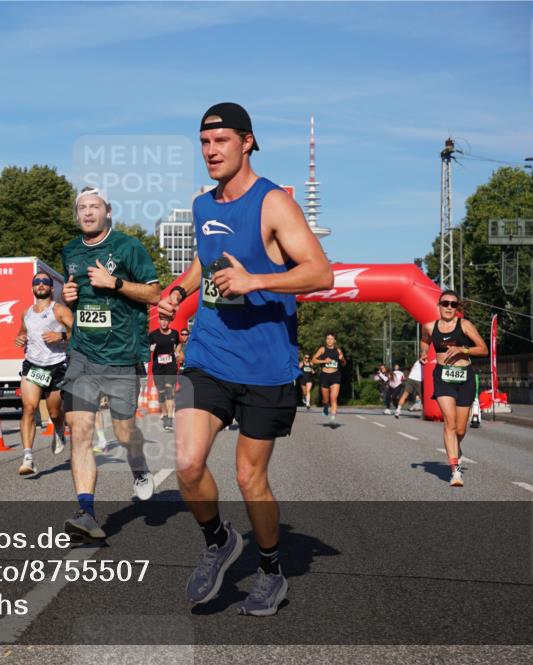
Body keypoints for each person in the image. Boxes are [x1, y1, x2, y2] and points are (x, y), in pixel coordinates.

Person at [158, 102, 332, 616]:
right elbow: (204, 261)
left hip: (267, 366)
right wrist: (178, 289)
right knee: (188, 464)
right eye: (204, 143)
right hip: (209, 354)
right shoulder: (203, 204)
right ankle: (218, 541)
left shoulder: (273, 203)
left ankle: (272, 570)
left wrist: (257, 279)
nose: (211, 152)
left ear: (247, 142)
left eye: (221, 142)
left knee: (248, 479)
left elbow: (319, 273)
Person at [60, 186, 162, 542]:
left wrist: (114, 282)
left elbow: (155, 294)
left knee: (123, 433)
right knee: (81, 432)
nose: (88, 212)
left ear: (108, 212)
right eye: (82, 207)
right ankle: (86, 512)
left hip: (123, 355)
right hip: (83, 354)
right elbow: (75, 297)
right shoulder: (70, 251)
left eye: (95, 207)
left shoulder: (129, 248)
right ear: (77, 215)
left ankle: (139, 465)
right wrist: (68, 297)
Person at [420, 290, 487, 487]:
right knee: (449, 423)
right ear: (438, 305)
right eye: (445, 303)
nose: (449, 307)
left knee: (459, 428)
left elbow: (483, 349)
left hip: (465, 378)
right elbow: (425, 341)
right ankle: (455, 471)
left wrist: (463, 349)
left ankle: (457, 447)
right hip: (443, 378)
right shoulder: (430, 327)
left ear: (457, 308)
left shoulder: (464, 325)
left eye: (453, 304)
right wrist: (424, 352)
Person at [14, 271, 72, 475]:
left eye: (45, 282)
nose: (40, 284)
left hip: (56, 366)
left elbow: (79, 333)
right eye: (37, 282)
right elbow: (23, 331)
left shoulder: (59, 310)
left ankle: (59, 428)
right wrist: (20, 338)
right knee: (29, 408)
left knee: (55, 412)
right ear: (32, 287)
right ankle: (28, 458)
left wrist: (61, 335)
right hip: (33, 365)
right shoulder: (26, 312)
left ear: (51, 288)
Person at [148, 314, 181, 431]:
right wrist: (150, 349)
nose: (164, 323)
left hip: (170, 367)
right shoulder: (153, 335)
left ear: (169, 322)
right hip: (158, 368)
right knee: (161, 394)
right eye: (162, 320)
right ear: (158, 321)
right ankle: (165, 414)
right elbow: (146, 347)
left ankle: (170, 419)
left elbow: (179, 343)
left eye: (166, 320)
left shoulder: (174, 333)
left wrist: (177, 352)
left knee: (169, 391)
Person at [312, 333, 346, 425]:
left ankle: (333, 418)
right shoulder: (322, 349)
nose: (329, 341)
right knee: (325, 400)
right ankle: (326, 407)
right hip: (324, 376)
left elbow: (343, 364)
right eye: (328, 339)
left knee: (333, 398)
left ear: (335, 341)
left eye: (331, 339)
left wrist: (342, 359)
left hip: (335, 375)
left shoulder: (338, 350)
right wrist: (324, 361)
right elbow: (313, 360)